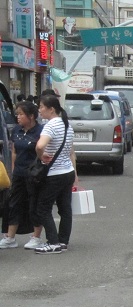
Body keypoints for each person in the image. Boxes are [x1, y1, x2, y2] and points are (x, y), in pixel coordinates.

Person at [33, 93, 77, 254]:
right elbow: (71, 150)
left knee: (43, 208)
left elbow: (39, 146)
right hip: (67, 171)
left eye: (41, 107)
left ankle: (53, 242)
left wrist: (41, 156)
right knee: (65, 209)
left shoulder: (50, 126)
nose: (39, 110)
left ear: (51, 109)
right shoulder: (67, 125)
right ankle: (63, 241)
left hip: (54, 173)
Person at [0, 101, 44, 250]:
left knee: (34, 204)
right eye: (17, 114)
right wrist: (12, 171)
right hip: (18, 173)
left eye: (20, 114)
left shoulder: (40, 131)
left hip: (34, 174)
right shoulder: (17, 130)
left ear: (31, 116)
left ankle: (36, 237)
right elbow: (14, 151)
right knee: (13, 204)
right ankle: (10, 237)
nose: (17, 117)